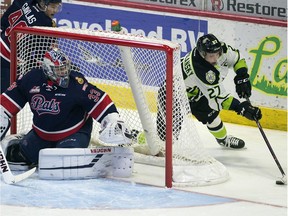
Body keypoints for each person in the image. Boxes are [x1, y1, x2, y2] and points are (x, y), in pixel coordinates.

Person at [0, 48, 132, 169]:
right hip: (41, 135)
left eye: (65, 68)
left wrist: (112, 120)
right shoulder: (32, 79)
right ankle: (22, 140)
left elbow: (99, 100)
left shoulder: (76, 83)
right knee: (16, 158)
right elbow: (8, 100)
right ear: (47, 69)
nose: (64, 72)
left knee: (61, 161)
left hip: (73, 134)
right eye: (59, 69)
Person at [156, 33, 262, 149]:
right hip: (172, 94)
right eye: (211, 56)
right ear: (202, 54)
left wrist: (242, 75)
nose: (216, 58)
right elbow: (219, 100)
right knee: (164, 141)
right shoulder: (202, 70)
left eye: (217, 54)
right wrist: (240, 107)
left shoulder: (220, 49)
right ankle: (140, 137)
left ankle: (223, 140)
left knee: (213, 118)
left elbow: (236, 58)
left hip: (197, 92)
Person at [0, 0, 62, 93]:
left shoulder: (26, 1)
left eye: (58, 7)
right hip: (8, 61)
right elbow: (39, 55)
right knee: (5, 96)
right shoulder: (46, 23)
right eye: (53, 7)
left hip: (2, 43)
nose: (56, 10)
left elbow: (4, 21)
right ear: (42, 4)